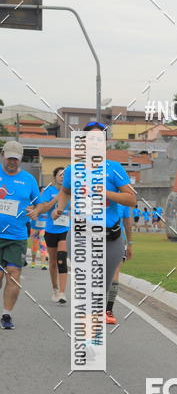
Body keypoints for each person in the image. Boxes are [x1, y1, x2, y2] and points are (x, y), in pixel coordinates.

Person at [53, 121, 137, 324]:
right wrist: (60, 208)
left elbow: (131, 199)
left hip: (109, 237)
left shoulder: (114, 169)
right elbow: (65, 191)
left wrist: (106, 193)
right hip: (82, 234)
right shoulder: (74, 170)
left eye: (99, 140)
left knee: (102, 287)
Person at [0, 140, 40, 329]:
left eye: (15, 159)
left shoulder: (29, 180)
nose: (12, 162)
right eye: (9, 158)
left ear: (20, 159)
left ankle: (6, 315)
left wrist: (36, 211)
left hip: (17, 236)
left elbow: (38, 203)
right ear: (3, 156)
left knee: (13, 274)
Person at [29, 167, 70, 303]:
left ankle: (63, 292)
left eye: (65, 175)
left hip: (66, 230)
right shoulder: (49, 191)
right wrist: (56, 199)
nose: (62, 177)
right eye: (60, 175)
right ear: (54, 177)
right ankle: (55, 288)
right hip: (51, 230)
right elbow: (44, 209)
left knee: (62, 258)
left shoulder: (71, 191)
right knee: (52, 262)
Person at [106, 203, 133, 325]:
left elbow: (127, 222)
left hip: (117, 240)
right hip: (95, 240)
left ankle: (108, 309)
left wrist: (130, 244)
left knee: (115, 274)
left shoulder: (124, 199)